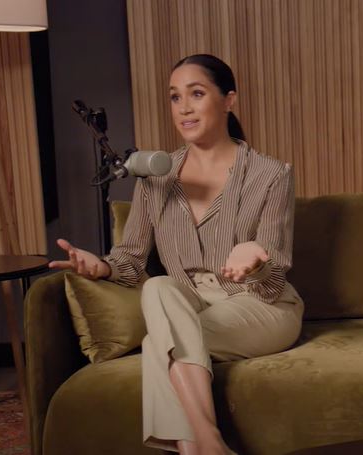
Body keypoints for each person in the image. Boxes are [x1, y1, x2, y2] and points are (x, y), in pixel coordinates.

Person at [49, 54, 304, 455]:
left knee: (159, 342)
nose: (183, 107)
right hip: (188, 304)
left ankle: (198, 446)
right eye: (174, 97)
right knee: (159, 288)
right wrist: (101, 268)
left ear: (228, 100)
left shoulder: (271, 174)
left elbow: (272, 284)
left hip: (259, 306)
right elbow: (130, 263)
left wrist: (255, 258)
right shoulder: (155, 177)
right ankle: (209, 444)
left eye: (196, 93)